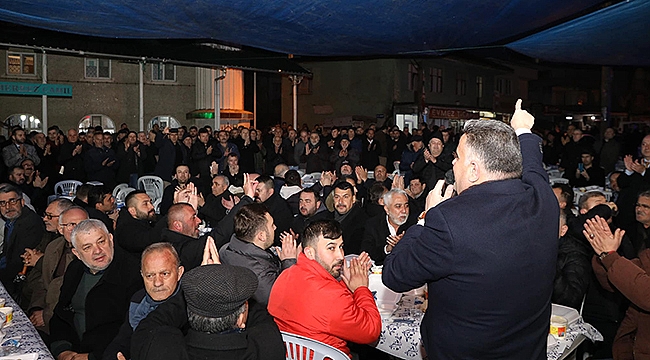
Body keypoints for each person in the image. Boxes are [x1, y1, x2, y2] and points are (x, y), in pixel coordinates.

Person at [383, 100, 559, 359]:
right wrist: (523, 131)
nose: (453, 163)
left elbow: (395, 275)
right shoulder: (544, 202)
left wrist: (424, 219)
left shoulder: (448, 220)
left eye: (457, 157)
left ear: (474, 170)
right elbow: (533, 167)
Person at [268, 220, 381, 357]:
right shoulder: (331, 296)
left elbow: (327, 302)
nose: (340, 255)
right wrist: (361, 288)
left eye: (341, 247)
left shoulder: (286, 275)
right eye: (331, 248)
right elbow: (371, 332)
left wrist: (347, 283)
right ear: (309, 252)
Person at [131, 263, 285, 360]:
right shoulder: (266, 347)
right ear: (240, 320)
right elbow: (261, 317)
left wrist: (199, 288)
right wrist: (225, 287)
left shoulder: (160, 348)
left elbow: (156, 320)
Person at [49, 219, 142, 360]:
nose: (98, 251)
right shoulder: (75, 270)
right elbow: (61, 314)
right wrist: (62, 350)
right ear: (77, 253)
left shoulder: (134, 273)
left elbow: (133, 329)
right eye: (87, 247)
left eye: (101, 241)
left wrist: (92, 357)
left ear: (111, 239)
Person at [102, 242, 184, 360]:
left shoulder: (190, 303)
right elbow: (121, 342)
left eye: (164, 274)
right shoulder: (138, 301)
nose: (157, 283)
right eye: (150, 276)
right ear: (142, 275)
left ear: (179, 273)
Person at [584, 215, 650, 360]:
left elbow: (646, 294)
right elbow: (616, 282)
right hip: (630, 347)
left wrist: (609, 255)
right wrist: (602, 254)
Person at [23, 207, 88, 335]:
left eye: (82, 224)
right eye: (71, 225)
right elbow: (44, 281)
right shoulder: (54, 247)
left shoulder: (88, 254)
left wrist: (46, 315)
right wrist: (37, 308)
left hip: (68, 321)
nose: (77, 229)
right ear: (60, 229)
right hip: (44, 315)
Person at [219, 203, 298, 305]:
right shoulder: (260, 272)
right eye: (271, 225)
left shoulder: (226, 249)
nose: (275, 227)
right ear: (261, 236)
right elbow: (282, 299)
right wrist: (289, 262)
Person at [0, 184, 46, 296]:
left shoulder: (30, 223)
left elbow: (18, 261)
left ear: (22, 202)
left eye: (12, 201)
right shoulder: (12, 220)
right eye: (3, 203)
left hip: (23, 279)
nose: (8, 207)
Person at [360, 189, 415, 265]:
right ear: (387, 209)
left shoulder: (413, 225)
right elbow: (366, 252)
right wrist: (387, 249)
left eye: (406, 206)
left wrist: (404, 243)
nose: (404, 211)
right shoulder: (373, 224)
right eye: (398, 206)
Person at [114, 190, 165, 256]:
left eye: (150, 202)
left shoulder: (148, 218)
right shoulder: (125, 230)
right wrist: (172, 213)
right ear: (132, 211)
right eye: (145, 204)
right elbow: (150, 240)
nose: (152, 206)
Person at [332, 181, 368, 255]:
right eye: (337, 197)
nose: (340, 201)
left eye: (345, 197)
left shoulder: (362, 222)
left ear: (353, 199)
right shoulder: (326, 217)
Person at [254, 176, 293, 242]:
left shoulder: (280, 208)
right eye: (254, 190)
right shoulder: (257, 202)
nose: (255, 194)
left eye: (259, 190)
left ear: (270, 192)